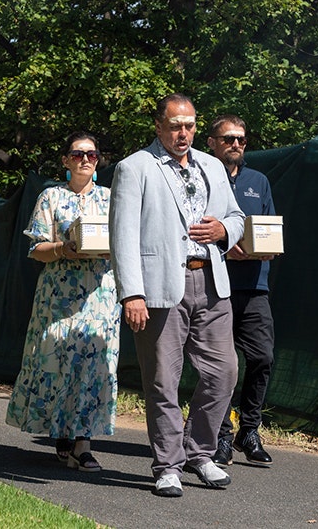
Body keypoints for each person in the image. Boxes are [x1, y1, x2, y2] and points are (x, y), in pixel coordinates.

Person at [109, 93, 245, 497]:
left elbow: (236, 217)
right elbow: (123, 235)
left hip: (213, 283)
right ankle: (167, 465)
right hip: (158, 287)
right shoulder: (135, 167)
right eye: (174, 126)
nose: (182, 133)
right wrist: (131, 293)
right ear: (158, 126)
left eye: (189, 125)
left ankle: (200, 453)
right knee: (162, 380)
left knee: (224, 372)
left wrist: (224, 230)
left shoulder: (213, 166)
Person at [5, 131, 121, 472]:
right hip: (57, 298)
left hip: (100, 297)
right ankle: (62, 433)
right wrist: (62, 249)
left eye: (92, 154)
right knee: (58, 367)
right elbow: (36, 249)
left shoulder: (112, 199)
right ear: (65, 160)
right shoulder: (51, 197)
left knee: (94, 368)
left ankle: (83, 444)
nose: (85, 159)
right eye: (78, 154)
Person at [207, 115, 276, 467]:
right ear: (212, 142)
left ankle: (248, 430)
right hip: (213, 286)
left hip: (254, 288)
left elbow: (269, 231)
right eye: (229, 138)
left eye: (242, 140)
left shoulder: (258, 182)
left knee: (262, 358)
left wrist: (266, 247)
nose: (236, 144)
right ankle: (219, 435)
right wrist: (224, 242)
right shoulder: (202, 178)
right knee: (221, 366)